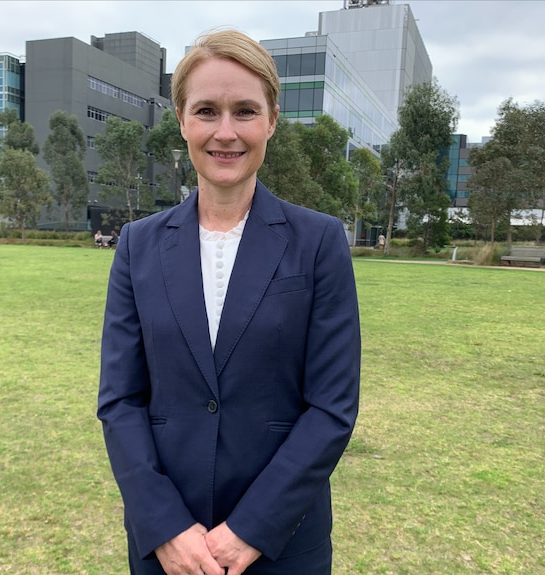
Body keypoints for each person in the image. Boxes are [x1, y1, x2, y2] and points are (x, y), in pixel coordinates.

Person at [97, 29, 360, 575]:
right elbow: (121, 400)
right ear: (182, 120)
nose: (225, 132)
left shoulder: (319, 242)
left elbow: (332, 407)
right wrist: (164, 523)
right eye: (206, 110)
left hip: (282, 543)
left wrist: (251, 529)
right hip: (168, 545)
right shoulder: (137, 245)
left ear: (271, 120)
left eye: (244, 110)